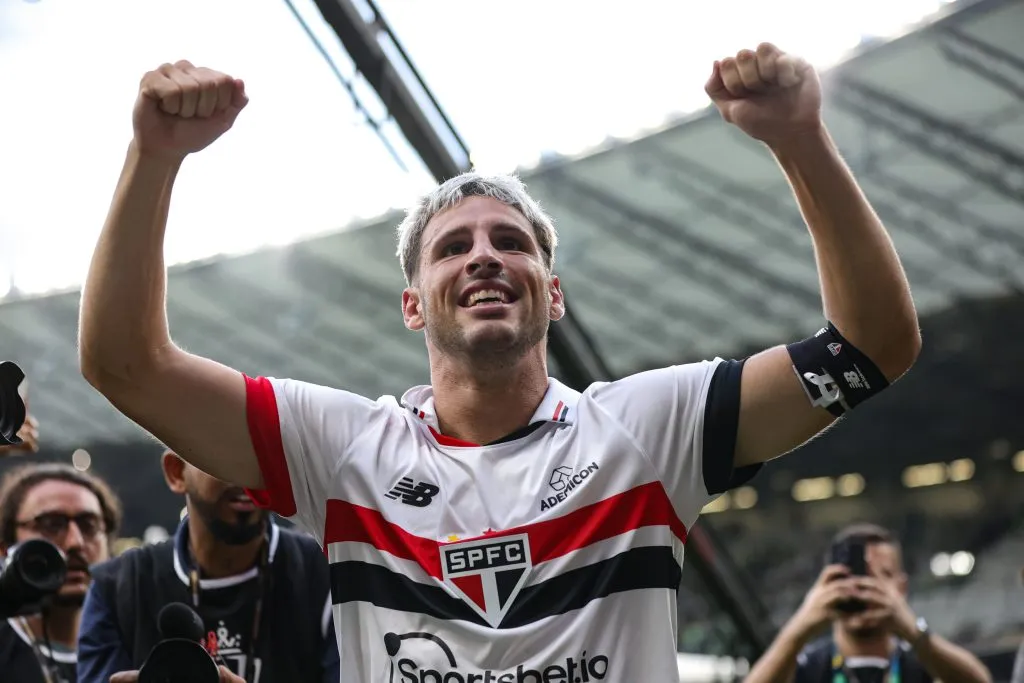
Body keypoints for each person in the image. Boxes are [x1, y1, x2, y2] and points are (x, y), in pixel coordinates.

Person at [79, 44, 922, 681]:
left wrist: (800, 139)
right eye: (452, 248)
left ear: (552, 294)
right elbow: (125, 364)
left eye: (509, 241)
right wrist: (154, 157)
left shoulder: (648, 426)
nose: (483, 257)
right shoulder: (343, 449)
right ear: (414, 304)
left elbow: (872, 345)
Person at [77, 450, 338, 683]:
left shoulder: (330, 572)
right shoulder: (117, 586)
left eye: (263, 450)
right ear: (176, 472)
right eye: (221, 451)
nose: (246, 472)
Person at [746, 523, 991, 683]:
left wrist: (911, 628)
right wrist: (800, 627)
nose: (865, 588)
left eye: (881, 576)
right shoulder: (806, 666)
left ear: (902, 587)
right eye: (852, 576)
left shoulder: (925, 664)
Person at [0, 462, 122, 683]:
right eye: (51, 524)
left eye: (89, 525)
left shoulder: (133, 647)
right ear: (6, 547)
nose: (75, 542)